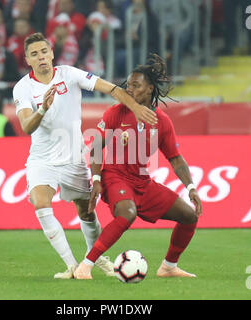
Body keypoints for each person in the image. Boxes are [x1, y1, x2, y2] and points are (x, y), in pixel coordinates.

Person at [12, 32, 157, 279]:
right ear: (27, 60)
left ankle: (96, 257)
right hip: (42, 159)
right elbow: (27, 126)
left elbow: (111, 89)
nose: (41, 57)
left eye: (44, 52)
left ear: (52, 53)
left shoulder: (69, 74)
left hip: (73, 157)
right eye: (34, 54)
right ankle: (72, 266)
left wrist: (136, 107)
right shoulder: (23, 88)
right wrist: (44, 108)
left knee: (86, 212)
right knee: (41, 203)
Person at [74, 54, 202, 280]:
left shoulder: (161, 121)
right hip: (115, 177)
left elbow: (175, 158)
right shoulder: (116, 113)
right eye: (128, 84)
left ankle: (169, 266)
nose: (129, 89)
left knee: (189, 216)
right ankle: (85, 265)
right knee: (127, 214)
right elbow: (95, 146)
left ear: (150, 88)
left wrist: (191, 187)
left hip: (142, 182)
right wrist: (96, 179)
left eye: (136, 85)